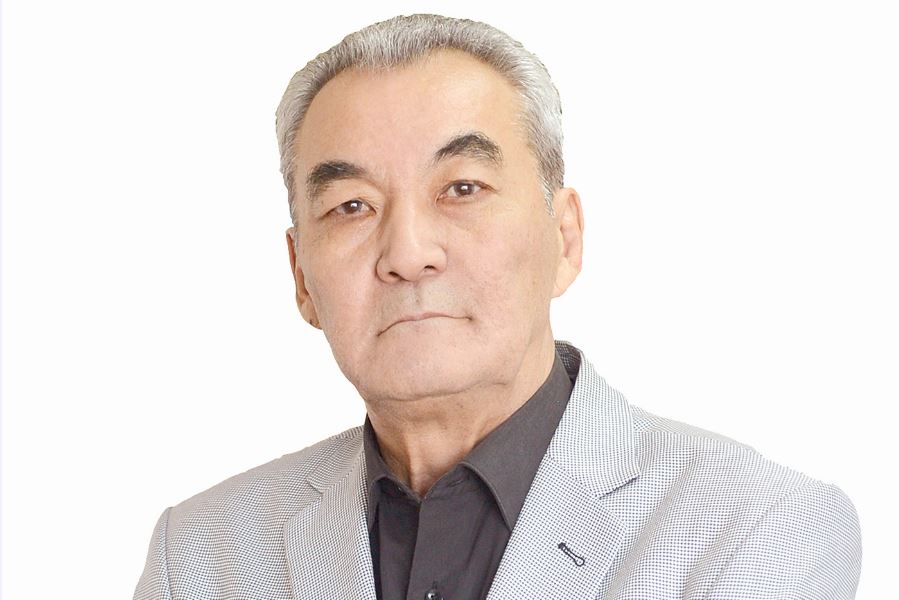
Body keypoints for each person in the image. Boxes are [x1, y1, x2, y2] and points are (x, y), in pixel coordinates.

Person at [134, 13, 862, 600]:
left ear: (564, 238)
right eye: (352, 206)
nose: (407, 252)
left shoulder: (755, 528)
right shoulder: (200, 555)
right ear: (301, 276)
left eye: (461, 188)